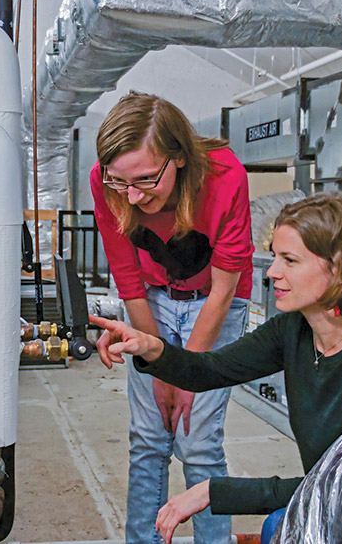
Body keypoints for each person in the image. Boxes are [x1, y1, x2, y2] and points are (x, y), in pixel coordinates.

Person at [90, 193, 342, 544]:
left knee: (277, 526)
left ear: (340, 267)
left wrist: (213, 491)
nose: (273, 272)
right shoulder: (295, 330)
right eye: (275, 256)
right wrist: (152, 347)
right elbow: (211, 370)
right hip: (330, 506)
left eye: (290, 260)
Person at [90, 91, 254, 544]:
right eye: (120, 182)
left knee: (197, 441)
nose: (134, 196)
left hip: (215, 301)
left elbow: (223, 287)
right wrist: (159, 368)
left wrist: (185, 375)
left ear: (178, 158)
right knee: (148, 437)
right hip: (151, 299)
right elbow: (128, 279)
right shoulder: (107, 183)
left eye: (145, 179)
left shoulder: (225, 175)